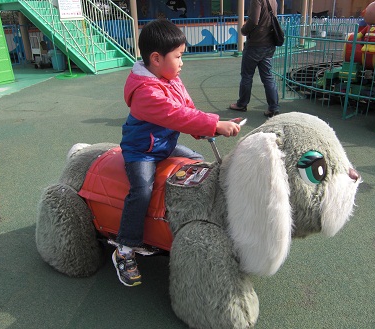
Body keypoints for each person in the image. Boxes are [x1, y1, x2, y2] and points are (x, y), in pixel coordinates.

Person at [113, 19, 241, 287]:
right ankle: (125, 248)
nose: (182, 62)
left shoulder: (171, 80)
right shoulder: (146, 91)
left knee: (195, 161)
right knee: (142, 190)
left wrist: (205, 129)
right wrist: (215, 124)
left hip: (164, 145)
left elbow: (188, 110)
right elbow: (175, 115)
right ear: (156, 59)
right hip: (141, 152)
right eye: (179, 56)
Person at [229, 0, 280, 118]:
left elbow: (253, 20)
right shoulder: (273, 1)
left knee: (247, 76)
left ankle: (242, 104)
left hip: (255, 44)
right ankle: (274, 107)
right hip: (269, 44)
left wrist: (243, 30)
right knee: (267, 77)